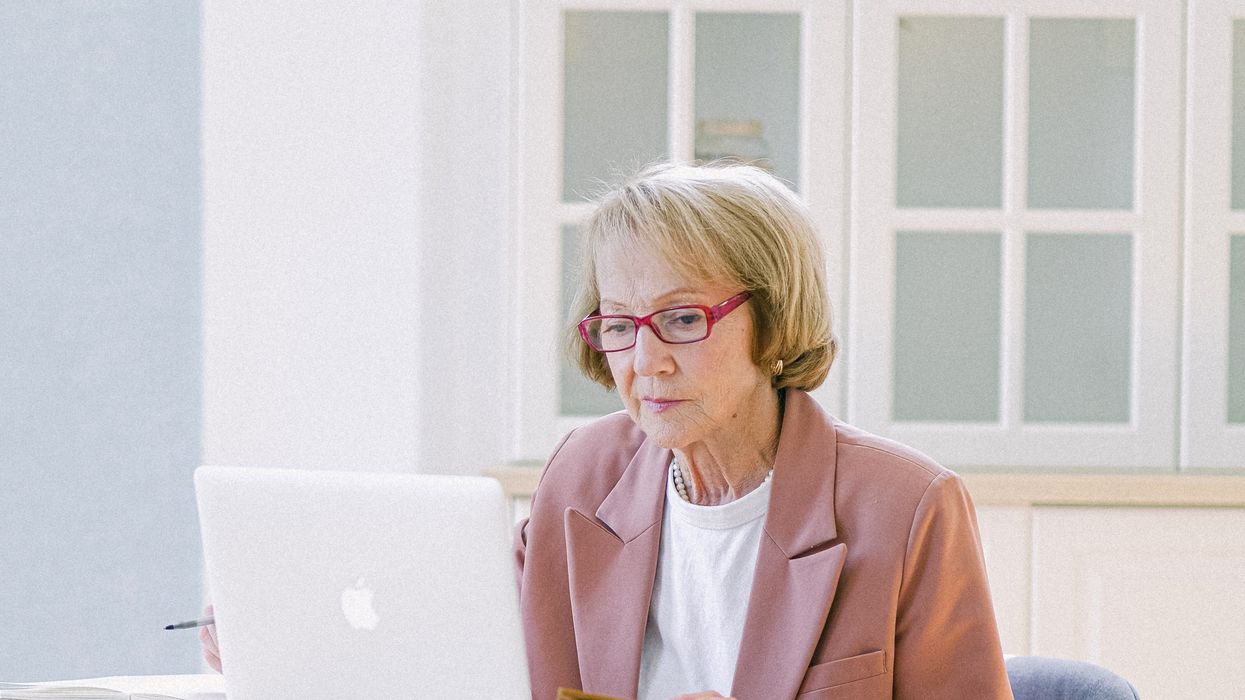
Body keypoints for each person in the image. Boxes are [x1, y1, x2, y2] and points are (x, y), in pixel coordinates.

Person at [202, 162, 1011, 699]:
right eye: (619, 324)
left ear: (774, 320)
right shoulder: (582, 477)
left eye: (683, 317)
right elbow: (473, 654)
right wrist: (285, 640)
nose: (645, 361)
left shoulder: (904, 507)